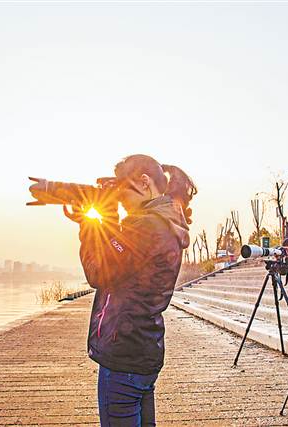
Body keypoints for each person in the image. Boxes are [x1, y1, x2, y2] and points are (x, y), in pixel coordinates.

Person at [63, 154, 196, 426]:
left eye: (123, 195)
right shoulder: (168, 222)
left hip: (123, 353)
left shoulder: (146, 226)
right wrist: (107, 215)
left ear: (144, 182)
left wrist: (89, 224)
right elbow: (123, 263)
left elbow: (98, 271)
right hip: (145, 347)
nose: (122, 204)